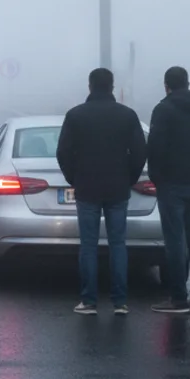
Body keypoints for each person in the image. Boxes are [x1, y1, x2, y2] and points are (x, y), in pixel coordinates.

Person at [57, 68, 148, 315]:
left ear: (90, 86)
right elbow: (140, 152)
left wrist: (73, 178)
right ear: (111, 86)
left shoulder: (76, 115)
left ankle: (89, 301)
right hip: (118, 188)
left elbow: (63, 152)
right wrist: (129, 177)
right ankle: (120, 302)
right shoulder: (127, 116)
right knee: (118, 243)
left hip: (87, 187)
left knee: (88, 244)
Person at [147, 66, 190, 314]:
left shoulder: (163, 110)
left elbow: (155, 147)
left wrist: (157, 177)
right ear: (187, 83)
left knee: (175, 240)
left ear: (167, 85)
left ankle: (178, 298)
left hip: (171, 182)